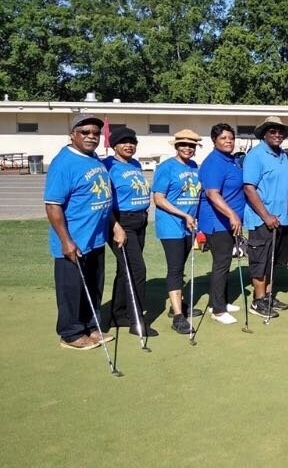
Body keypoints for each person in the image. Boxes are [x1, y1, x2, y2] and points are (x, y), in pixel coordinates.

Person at [44, 113, 123, 350]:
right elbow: (53, 205)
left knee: (93, 287)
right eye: (85, 132)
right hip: (73, 241)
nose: (91, 137)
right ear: (72, 135)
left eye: (96, 133)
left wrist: (115, 226)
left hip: (96, 238)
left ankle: (91, 326)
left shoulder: (95, 159)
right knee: (72, 290)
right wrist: (66, 240)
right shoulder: (64, 163)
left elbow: (103, 199)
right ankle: (70, 334)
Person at [103, 126, 156, 337]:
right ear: (114, 145)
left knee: (123, 270)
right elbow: (105, 200)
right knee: (137, 271)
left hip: (139, 221)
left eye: (132, 142)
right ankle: (137, 321)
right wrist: (116, 227)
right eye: (124, 142)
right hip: (120, 222)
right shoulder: (107, 165)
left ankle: (118, 314)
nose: (129, 145)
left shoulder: (134, 164)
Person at [152, 129, 204, 334]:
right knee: (175, 268)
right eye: (183, 144)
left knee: (180, 267)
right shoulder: (166, 167)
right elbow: (159, 198)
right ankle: (178, 316)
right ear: (176, 146)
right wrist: (184, 215)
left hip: (189, 226)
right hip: (171, 225)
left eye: (191, 145)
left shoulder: (194, 167)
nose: (187, 148)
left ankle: (178, 305)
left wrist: (194, 217)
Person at [243, 116, 288, 319]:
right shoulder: (255, 155)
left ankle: (268, 296)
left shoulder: (283, 155)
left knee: (273, 261)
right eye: (272, 131)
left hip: (281, 219)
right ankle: (259, 300)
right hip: (261, 219)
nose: (277, 135)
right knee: (260, 260)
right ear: (264, 133)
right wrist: (265, 215)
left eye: (280, 131)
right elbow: (249, 188)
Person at [198, 123, 245, 325]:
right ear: (214, 141)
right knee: (221, 264)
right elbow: (212, 193)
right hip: (217, 222)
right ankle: (218, 310)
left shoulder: (232, 160)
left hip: (228, 222)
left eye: (231, 138)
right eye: (224, 138)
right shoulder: (214, 162)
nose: (228, 141)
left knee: (224, 263)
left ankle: (219, 301)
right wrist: (232, 215)